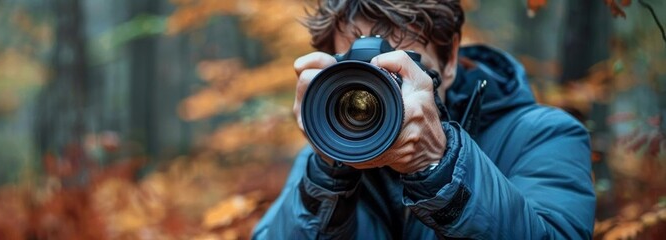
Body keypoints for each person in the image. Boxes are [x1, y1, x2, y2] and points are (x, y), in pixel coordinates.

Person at [252, 0, 595, 239]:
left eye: (401, 73)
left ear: (450, 60)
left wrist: (438, 165)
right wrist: (326, 175)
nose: (376, 98)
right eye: (360, 75)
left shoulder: (545, 134)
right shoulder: (328, 160)